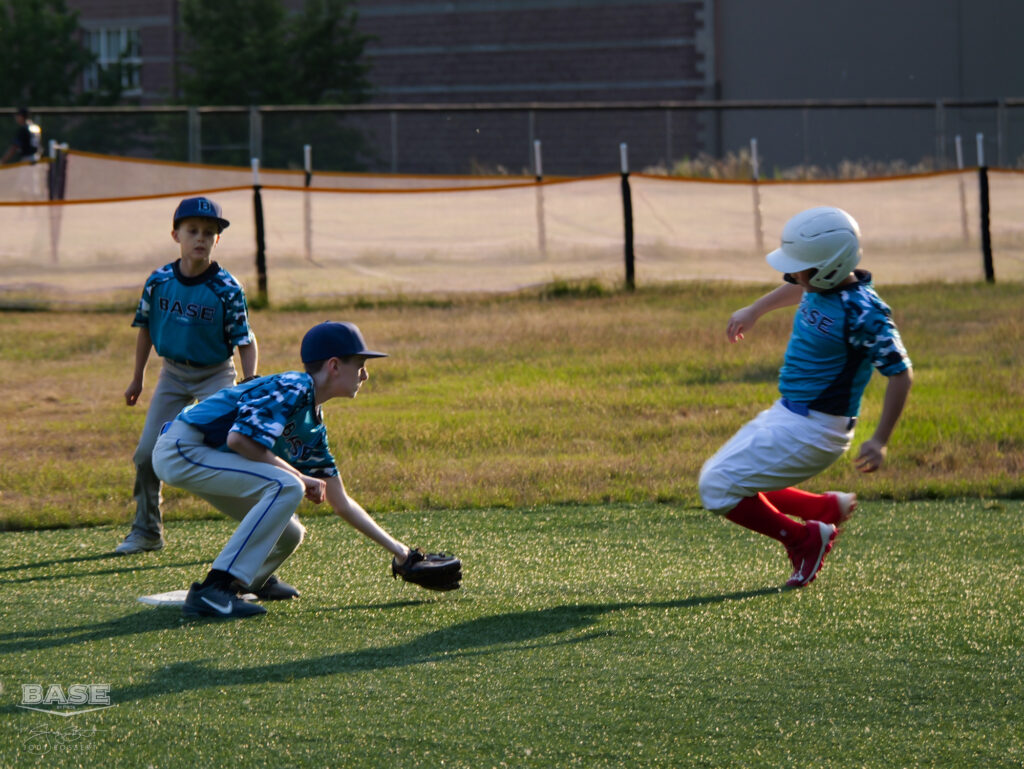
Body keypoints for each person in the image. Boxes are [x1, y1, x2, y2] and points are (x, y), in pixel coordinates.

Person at [698, 206, 913, 588]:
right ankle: (823, 508)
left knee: (717, 487)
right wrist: (755, 310)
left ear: (829, 267)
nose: (791, 273)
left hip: (817, 431)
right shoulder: (820, 283)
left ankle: (804, 539)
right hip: (789, 414)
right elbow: (800, 286)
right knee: (722, 476)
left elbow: (900, 372)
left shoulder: (864, 311)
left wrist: (880, 440)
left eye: (800, 266)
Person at [151, 321, 421, 619]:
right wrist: (300, 476)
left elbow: (340, 502)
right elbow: (239, 440)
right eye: (359, 364)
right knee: (287, 485)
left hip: (204, 455)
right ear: (334, 365)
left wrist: (401, 553)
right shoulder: (294, 385)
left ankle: (250, 581)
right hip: (183, 448)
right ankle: (214, 590)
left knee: (290, 533)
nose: (365, 374)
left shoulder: (312, 425)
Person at [114, 197, 258, 555]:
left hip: (216, 377)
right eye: (192, 230)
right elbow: (145, 328)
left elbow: (245, 339)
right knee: (147, 454)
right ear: (175, 234)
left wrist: (249, 383)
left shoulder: (226, 287)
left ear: (217, 241)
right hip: (173, 376)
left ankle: (258, 528)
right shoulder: (159, 280)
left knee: (229, 452)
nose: (201, 238)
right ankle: (147, 530)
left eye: (210, 233)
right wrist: (138, 378)